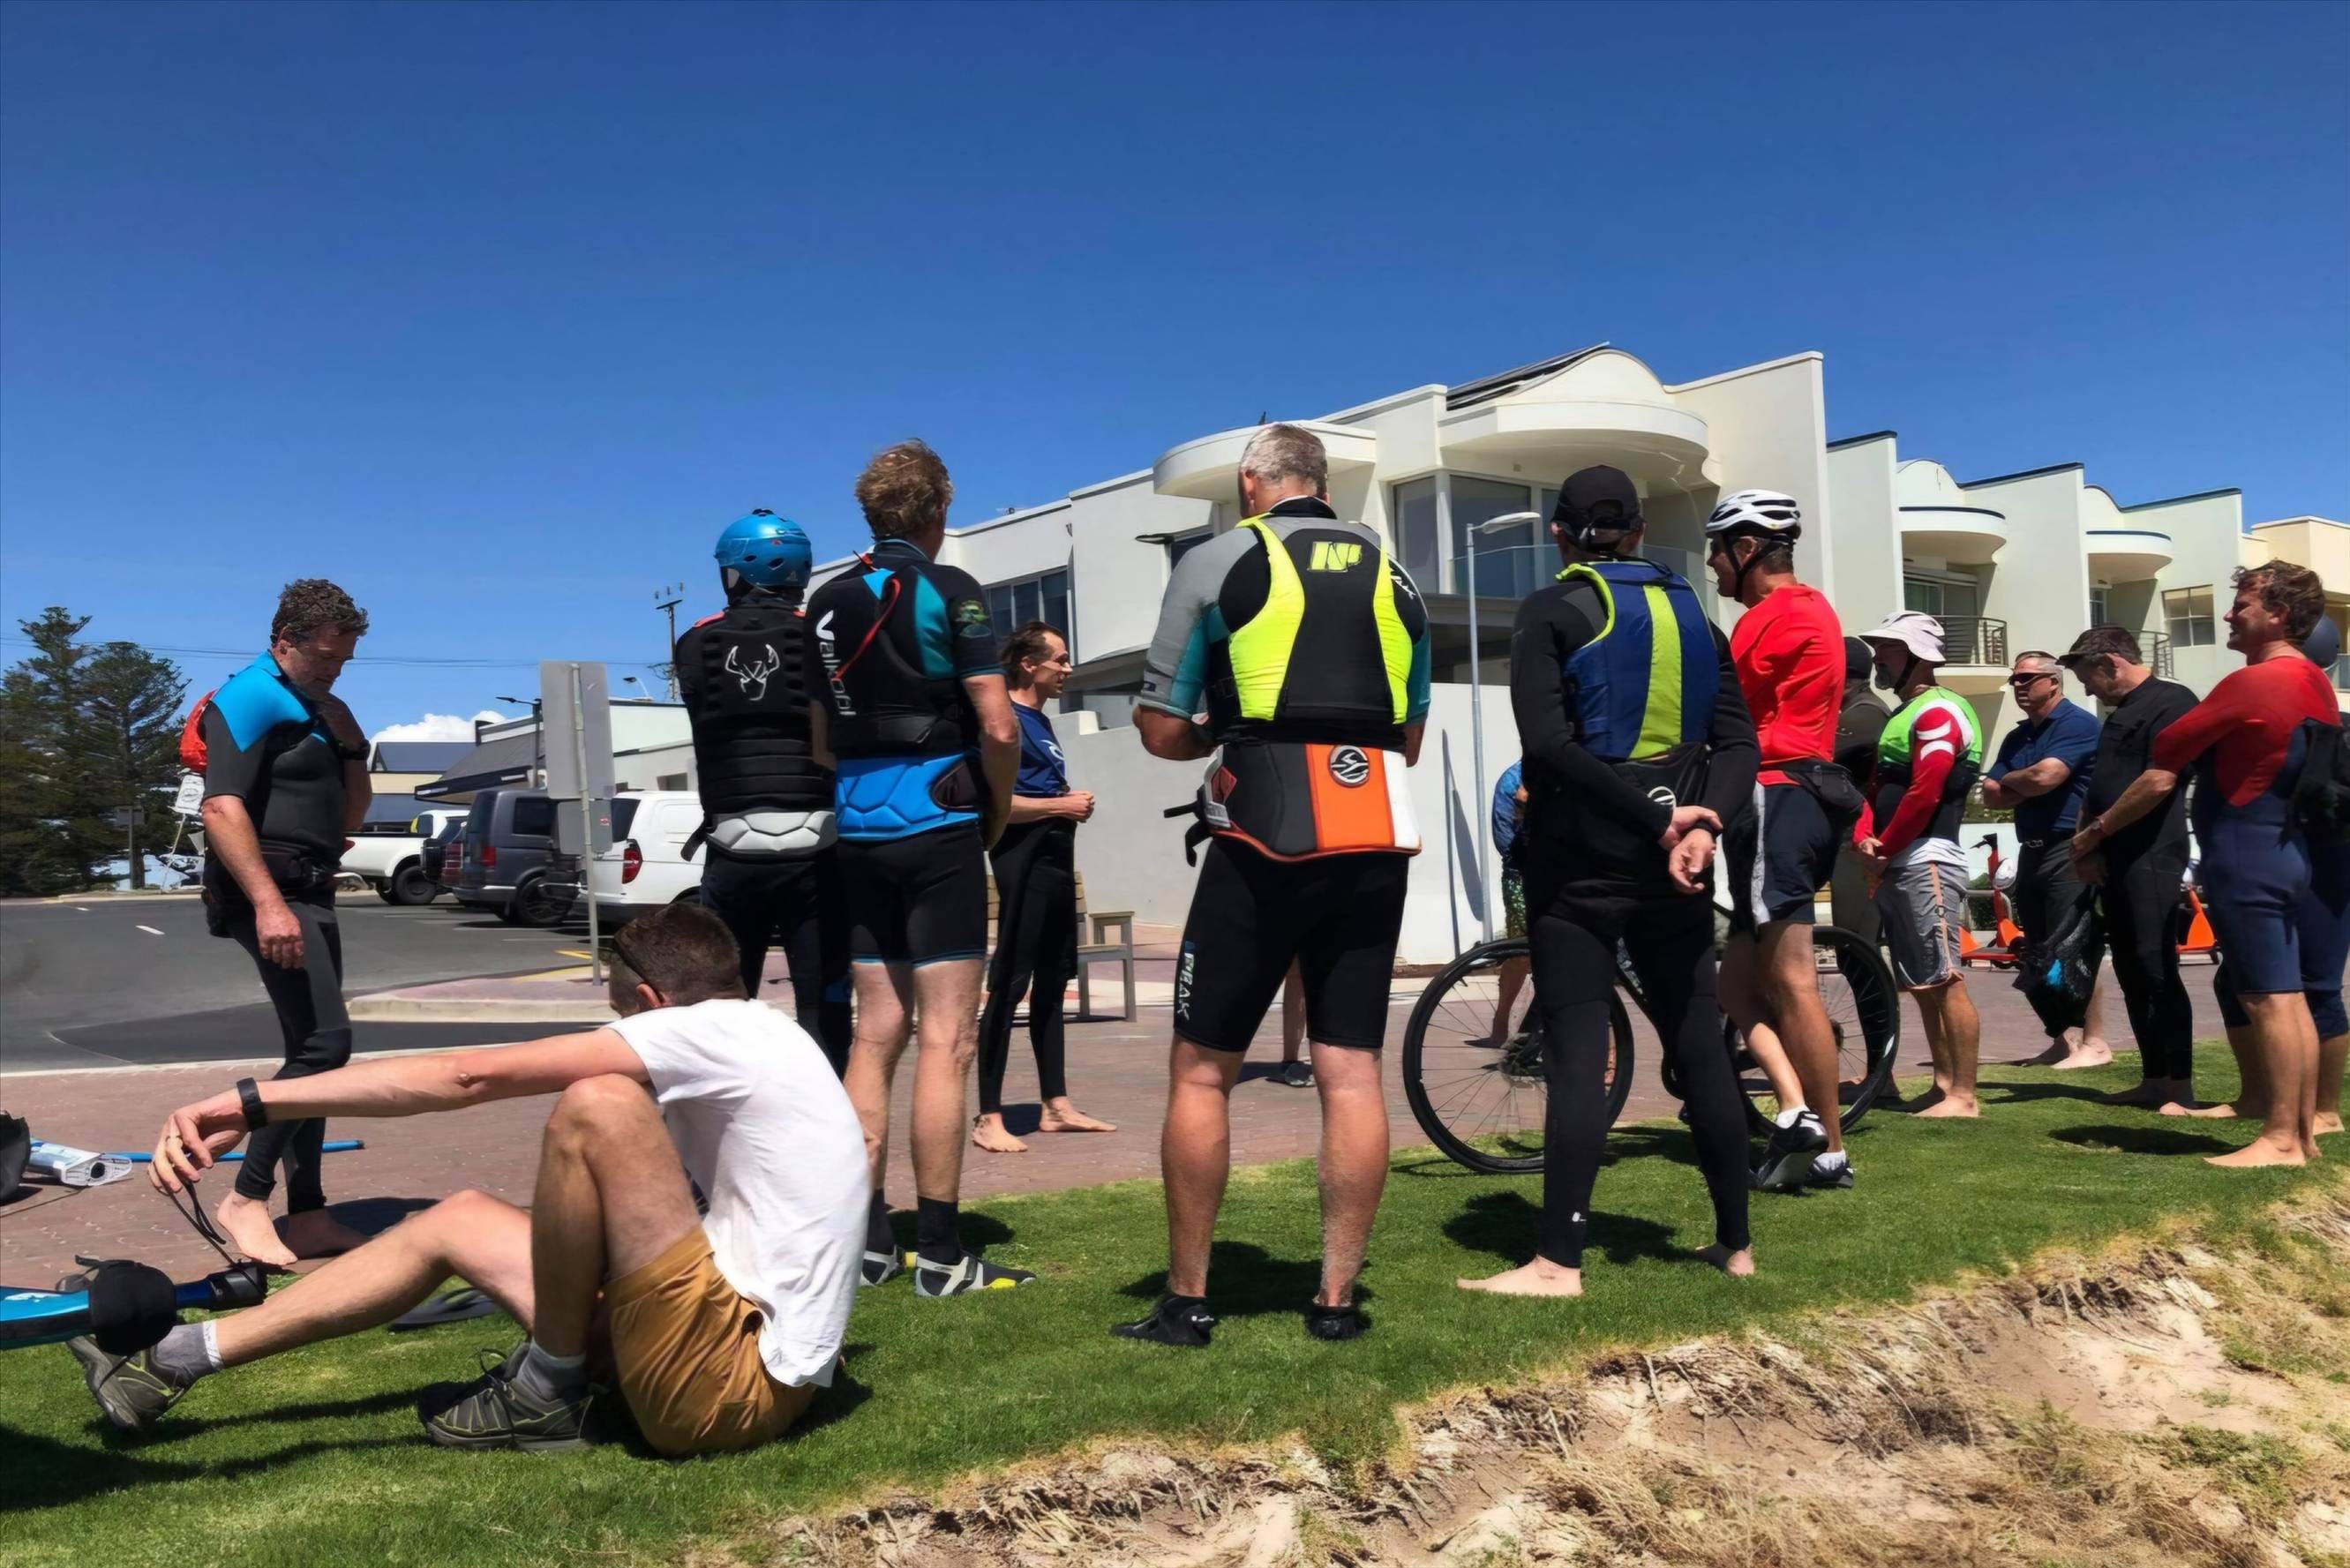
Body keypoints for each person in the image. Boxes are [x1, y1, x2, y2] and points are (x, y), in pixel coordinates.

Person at [72, 904, 867, 1457]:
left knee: (598, 1104)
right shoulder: (765, 1039)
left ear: (653, 1003)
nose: (620, 1029)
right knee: (461, 1217)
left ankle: (545, 1390)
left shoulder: (710, 1033)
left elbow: (466, 1076)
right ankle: (169, 1361)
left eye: (622, 1015)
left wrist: (252, 1102)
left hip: (726, 1392)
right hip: (714, 1347)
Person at [1115, 424, 1431, 1347]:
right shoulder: (1397, 577)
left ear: (1253, 484)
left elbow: (1159, 728)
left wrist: (1223, 732)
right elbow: (1409, 737)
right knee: (1350, 1069)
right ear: (1319, 484)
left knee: (1201, 1069)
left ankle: (1187, 1300)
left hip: (1262, 835)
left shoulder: (1218, 559)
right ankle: (1335, 1301)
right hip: (1373, 831)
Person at [1460, 464, 1759, 1300]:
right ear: (1638, 531)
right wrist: (1699, 823)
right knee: (1697, 1039)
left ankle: (1557, 1261)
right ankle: (1734, 1244)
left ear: (1559, 534)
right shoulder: (1695, 614)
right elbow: (1740, 744)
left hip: (1582, 862)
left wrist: (1654, 820)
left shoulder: (1550, 609)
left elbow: (1548, 745)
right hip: (1677, 861)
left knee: (1577, 1046)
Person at [805, 439, 1031, 1296]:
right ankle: (939, 1254)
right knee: (946, 1036)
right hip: (938, 822)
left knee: (873, 1034)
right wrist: (995, 811)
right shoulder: (951, 588)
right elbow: (998, 725)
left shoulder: (825, 601)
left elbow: (820, 740)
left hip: (858, 824)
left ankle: (866, 1244)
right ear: (938, 508)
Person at [2071, 563, 2341, 1167]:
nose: (2228, 614)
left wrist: (2094, 831)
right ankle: (2297, 1132)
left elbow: (2169, 750)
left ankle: (2281, 1140)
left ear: (2277, 614)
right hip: (2285, 849)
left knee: (2268, 996)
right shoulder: (2313, 681)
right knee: (2287, 995)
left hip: (2249, 852)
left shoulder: (2254, 682)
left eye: (2241, 604)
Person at [193, 580, 374, 1268]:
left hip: (313, 887)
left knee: (310, 1050)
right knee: (327, 1045)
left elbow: (351, 816)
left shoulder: (317, 706)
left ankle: (309, 1215)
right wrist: (269, 904)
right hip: (269, 892)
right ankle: (245, 1196)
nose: (334, 671)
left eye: (344, 660)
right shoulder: (248, 695)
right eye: (325, 657)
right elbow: (220, 807)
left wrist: (352, 747)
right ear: (284, 642)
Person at [1704, 488, 1867, 1191]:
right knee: (1735, 983)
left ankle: (1828, 1148)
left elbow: (1718, 710)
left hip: (1775, 794)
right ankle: (1795, 1111)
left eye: (1717, 552)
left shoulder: (1769, 617)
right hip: (1801, 795)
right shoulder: (1813, 609)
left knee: (1791, 978)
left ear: (1745, 549)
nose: (1712, 566)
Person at [676, 509, 851, 1073]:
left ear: (735, 572)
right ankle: (829, 1100)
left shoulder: (694, 642)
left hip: (733, 843)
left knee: (724, 1001)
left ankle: (727, 1106)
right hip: (820, 843)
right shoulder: (825, 635)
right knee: (823, 997)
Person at [972, 622, 1115, 1152]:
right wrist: (1060, 805)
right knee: (1009, 987)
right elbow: (992, 806)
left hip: (1056, 861)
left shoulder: (1041, 721)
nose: (1068, 669)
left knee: (1054, 981)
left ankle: (1055, 1105)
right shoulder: (1002, 720)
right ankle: (989, 1116)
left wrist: (1064, 805)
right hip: (1022, 862)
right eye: (1060, 659)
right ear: (1029, 665)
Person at [2057, 626, 2200, 1109]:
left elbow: (2159, 781)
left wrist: (2096, 833)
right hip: (2113, 857)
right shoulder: (2121, 713)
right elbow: (2099, 785)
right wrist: (2086, 849)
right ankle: (2154, 1079)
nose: (2088, 689)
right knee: (2132, 971)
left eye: (2088, 677)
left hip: (2152, 855)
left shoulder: (2172, 702)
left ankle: (2179, 1085)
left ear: (2111, 663)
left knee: (2155, 968)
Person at [1856, 611, 1986, 1119]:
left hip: (1926, 857)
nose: (1879, 657)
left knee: (1944, 979)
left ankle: (1963, 1095)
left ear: (1918, 656)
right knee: (1924, 984)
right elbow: (1876, 787)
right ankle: (1942, 1085)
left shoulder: (1938, 711)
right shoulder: (1906, 711)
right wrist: (1868, 839)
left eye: (1889, 648)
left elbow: (1926, 790)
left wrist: (1884, 845)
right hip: (1903, 858)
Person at [1980, 651, 2106, 1067]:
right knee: (2038, 949)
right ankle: (2061, 1041)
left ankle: (2095, 1043)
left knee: (2074, 945)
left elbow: (2044, 777)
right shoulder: (2018, 736)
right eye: (2014, 679)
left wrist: (2015, 780)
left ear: (2053, 681)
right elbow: (1991, 794)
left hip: (2069, 847)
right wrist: (2024, 782)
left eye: (2027, 678)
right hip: (2031, 849)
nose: (2017, 685)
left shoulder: (2077, 723)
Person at [1830, 637, 1889, 946]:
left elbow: (1816, 757)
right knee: (1852, 942)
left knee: (1856, 943)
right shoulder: (1856, 710)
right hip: (1850, 840)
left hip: (1859, 841)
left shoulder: (1866, 713)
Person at [1471, 759, 1532, 1051]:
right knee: (1520, 952)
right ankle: (1501, 1023)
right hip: (1522, 876)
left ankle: (1608, 1053)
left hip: (1563, 875)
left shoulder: (1574, 768)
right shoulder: (1512, 779)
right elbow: (1505, 838)